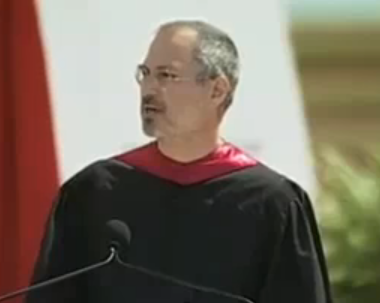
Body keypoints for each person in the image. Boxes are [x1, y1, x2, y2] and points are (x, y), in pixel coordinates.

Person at [25, 20, 334, 303]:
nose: (149, 89)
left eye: (166, 75)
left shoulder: (274, 204)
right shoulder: (93, 193)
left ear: (217, 89)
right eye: (144, 74)